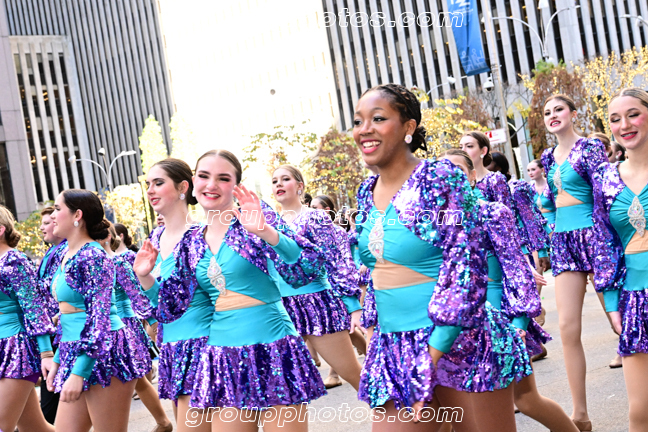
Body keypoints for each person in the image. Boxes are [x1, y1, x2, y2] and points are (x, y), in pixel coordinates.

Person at [353, 83, 530, 431]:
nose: (364, 130)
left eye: (378, 118)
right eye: (358, 121)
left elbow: (466, 265)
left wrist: (432, 353)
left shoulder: (439, 178)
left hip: (460, 342)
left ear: (408, 127)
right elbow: (376, 275)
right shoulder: (365, 191)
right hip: (396, 347)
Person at [135, 150, 327, 431]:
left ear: (236, 185)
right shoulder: (191, 241)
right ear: (193, 182)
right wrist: (145, 277)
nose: (211, 185)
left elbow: (308, 268)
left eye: (223, 178)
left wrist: (266, 232)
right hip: (224, 358)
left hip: (276, 349)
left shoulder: (254, 217)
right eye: (204, 176)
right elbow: (171, 307)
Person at [443, 150, 578, 432]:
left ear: (472, 176)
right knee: (452, 411)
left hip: (498, 319)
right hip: (454, 325)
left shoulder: (492, 213)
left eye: (458, 170)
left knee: (526, 399)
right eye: (443, 172)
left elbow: (516, 269)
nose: (450, 177)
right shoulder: (433, 222)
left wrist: (518, 324)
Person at [541, 94, 624, 431]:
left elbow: (605, 192)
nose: (552, 115)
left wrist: (607, 240)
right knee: (566, 327)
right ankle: (580, 414)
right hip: (564, 243)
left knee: (619, 322)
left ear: (573, 114)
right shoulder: (547, 157)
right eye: (547, 112)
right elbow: (550, 201)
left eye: (559, 109)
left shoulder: (589, 148)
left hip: (595, 236)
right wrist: (550, 226)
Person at [43, 189, 142, 432]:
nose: (52, 216)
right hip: (74, 350)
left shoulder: (93, 256)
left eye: (57, 209)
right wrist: (57, 360)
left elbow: (100, 319)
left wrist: (79, 372)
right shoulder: (65, 254)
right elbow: (68, 318)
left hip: (105, 354)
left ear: (77, 215)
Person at [272, 173, 364, 390]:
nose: (279, 184)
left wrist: (353, 306)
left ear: (300, 186)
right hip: (281, 308)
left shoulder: (315, 217)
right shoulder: (269, 222)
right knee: (282, 383)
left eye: (285, 179)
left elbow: (336, 259)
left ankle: (394, 409)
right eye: (274, 181)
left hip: (316, 303)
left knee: (352, 373)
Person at [134, 158, 204, 429]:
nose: (150, 190)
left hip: (204, 345)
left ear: (183, 187)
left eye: (159, 183)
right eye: (148, 184)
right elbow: (162, 303)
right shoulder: (155, 238)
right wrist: (144, 277)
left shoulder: (201, 235)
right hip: (172, 348)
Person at [593, 87, 648, 432]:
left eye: (633, 114)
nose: (624, 125)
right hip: (634, 300)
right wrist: (612, 303)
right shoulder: (605, 178)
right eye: (615, 119)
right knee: (640, 413)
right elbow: (604, 244)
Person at [102, 222, 173, 432]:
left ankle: (162, 422)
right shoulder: (93, 263)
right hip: (104, 329)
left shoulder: (118, 262)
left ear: (107, 237)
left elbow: (136, 294)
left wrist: (153, 321)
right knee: (137, 379)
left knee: (134, 377)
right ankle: (163, 422)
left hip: (125, 325)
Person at [0, 205, 56, 432]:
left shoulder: (13, 260)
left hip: (16, 348)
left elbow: (34, 308)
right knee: (35, 427)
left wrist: (46, 353)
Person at [37, 206, 65, 424]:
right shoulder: (50, 252)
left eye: (47, 223)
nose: (41, 228)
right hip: (51, 331)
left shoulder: (68, 251)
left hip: (62, 333)